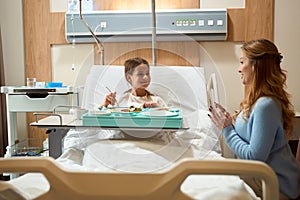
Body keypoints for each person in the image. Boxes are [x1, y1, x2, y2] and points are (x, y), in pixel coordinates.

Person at [209, 39, 300, 199]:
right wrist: (227, 122)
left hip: (275, 185)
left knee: (216, 188)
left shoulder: (266, 105)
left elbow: (254, 157)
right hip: (262, 177)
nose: (239, 69)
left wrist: (227, 130)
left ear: (256, 66)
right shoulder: (256, 101)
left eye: (242, 62)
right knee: (213, 179)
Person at [101, 57, 167, 108]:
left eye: (147, 73)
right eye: (140, 74)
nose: (146, 77)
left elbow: (169, 118)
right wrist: (105, 105)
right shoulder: (120, 100)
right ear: (129, 78)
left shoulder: (157, 101)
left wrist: (158, 109)